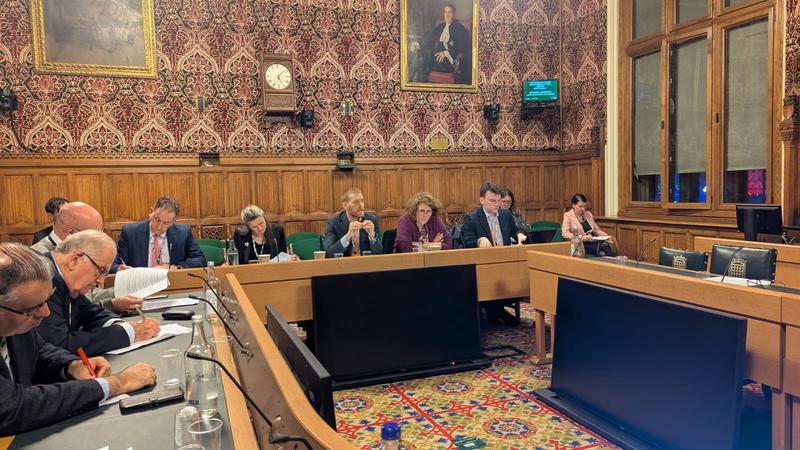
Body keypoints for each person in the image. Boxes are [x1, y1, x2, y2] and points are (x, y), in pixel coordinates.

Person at [0, 243, 156, 436]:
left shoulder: (20, 310)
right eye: (34, 309)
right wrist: (117, 383)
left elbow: (39, 350)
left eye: (47, 301)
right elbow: (14, 408)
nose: (45, 312)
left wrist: (71, 366)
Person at [37, 230, 161, 356]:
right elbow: (61, 345)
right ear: (75, 260)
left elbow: (92, 312)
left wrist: (121, 325)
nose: (100, 280)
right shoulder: (43, 279)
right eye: (101, 270)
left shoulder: (67, 280)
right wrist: (131, 333)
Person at [29, 202, 143, 315]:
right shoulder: (38, 262)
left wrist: (125, 290)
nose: (100, 240)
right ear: (72, 233)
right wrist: (111, 305)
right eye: (95, 234)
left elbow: (89, 295)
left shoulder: (78, 255)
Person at [461, 182, 529, 326]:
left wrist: (520, 235)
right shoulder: (472, 219)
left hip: (505, 264)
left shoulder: (505, 215)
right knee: (486, 287)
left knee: (526, 283)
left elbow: (517, 230)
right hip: (484, 268)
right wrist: (479, 240)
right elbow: (466, 243)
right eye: (492, 201)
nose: (497, 204)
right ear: (482, 200)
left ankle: (494, 310)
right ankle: (497, 311)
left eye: (498, 201)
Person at [112, 196, 206, 272]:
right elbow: (113, 264)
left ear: (173, 221)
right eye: (157, 219)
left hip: (172, 283)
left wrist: (176, 267)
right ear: (151, 212)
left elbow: (200, 260)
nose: (159, 227)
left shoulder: (183, 233)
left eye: (166, 223)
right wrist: (120, 268)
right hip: (141, 285)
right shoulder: (130, 233)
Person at [410, 3, 472, 84]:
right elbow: (429, 38)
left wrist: (446, 53)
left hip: (449, 61)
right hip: (437, 58)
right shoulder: (440, 27)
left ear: (453, 14)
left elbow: (463, 46)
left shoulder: (459, 28)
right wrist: (418, 44)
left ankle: (414, 81)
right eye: (445, 12)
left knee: (422, 61)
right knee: (421, 57)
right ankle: (416, 81)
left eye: (449, 12)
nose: (447, 15)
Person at [324, 188, 383, 257]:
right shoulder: (333, 222)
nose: (361, 205)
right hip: (343, 265)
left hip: (366, 264)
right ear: (345, 205)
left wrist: (372, 236)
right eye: (355, 202)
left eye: (362, 201)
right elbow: (329, 254)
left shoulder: (372, 220)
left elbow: (379, 253)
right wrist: (348, 236)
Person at [30, 201, 103, 255]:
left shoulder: (81, 249)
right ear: (71, 233)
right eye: (93, 236)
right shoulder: (36, 256)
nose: (97, 242)